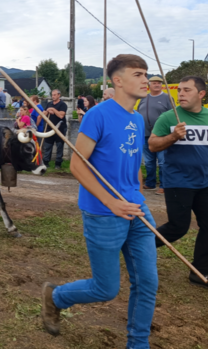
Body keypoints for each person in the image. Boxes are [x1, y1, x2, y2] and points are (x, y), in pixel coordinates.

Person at [41, 54, 157, 348]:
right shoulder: (98, 114)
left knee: (147, 283)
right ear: (117, 80)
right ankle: (56, 297)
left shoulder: (137, 119)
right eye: (138, 74)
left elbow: (134, 164)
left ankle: (138, 344)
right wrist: (112, 203)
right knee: (106, 289)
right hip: (103, 213)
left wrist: (137, 195)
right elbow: (78, 166)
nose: (146, 80)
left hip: (136, 209)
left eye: (146, 74)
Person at [149, 76, 208, 292]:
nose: (180, 94)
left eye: (187, 90)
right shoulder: (169, 117)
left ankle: (200, 272)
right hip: (177, 182)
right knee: (178, 227)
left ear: (201, 94)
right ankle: (137, 247)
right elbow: (152, 145)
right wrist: (173, 136)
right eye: (179, 90)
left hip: (203, 183)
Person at [137, 76, 174, 195]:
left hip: (162, 136)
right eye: (154, 83)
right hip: (145, 135)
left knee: (163, 162)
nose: (156, 85)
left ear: (162, 85)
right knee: (148, 162)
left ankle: (164, 185)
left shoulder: (167, 98)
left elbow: (173, 115)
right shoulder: (144, 98)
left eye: (159, 83)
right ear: (149, 85)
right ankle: (150, 183)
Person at [41, 89, 67, 170]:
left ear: (59, 95)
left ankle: (58, 164)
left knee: (59, 146)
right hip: (49, 128)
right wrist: (48, 111)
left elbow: (61, 116)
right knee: (48, 146)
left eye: (55, 95)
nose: (53, 96)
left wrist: (53, 109)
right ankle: (46, 162)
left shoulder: (63, 104)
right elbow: (43, 114)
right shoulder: (49, 104)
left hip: (60, 128)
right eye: (52, 95)